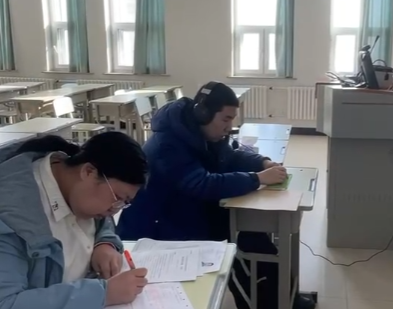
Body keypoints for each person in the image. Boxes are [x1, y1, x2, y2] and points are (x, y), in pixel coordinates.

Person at [116, 81, 314, 309]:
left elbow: (229, 155)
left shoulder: (200, 132)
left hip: (188, 212)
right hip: (159, 230)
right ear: (203, 114)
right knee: (242, 243)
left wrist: (262, 162)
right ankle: (266, 301)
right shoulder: (167, 145)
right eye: (226, 119)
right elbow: (202, 183)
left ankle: (282, 299)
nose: (229, 127)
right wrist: (257, 179)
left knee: (256, 239)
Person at [0, 132, 150, 309]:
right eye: (117, 198)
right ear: (88, 172)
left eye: (123, 204)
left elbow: (101, 220)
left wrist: (105, 243)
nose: (113, 211)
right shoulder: (5, 214)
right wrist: (103, 294)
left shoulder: (73, 183)